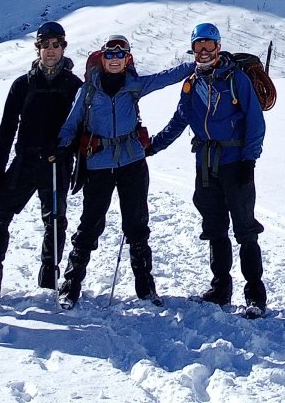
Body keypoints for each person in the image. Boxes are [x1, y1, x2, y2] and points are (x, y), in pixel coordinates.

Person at [53, 34, 192, 307]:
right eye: (110, 55)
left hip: (132, 163)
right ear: (102, 58)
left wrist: (197, 63)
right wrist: (61, 145)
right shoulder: (88, 90)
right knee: (90, 225)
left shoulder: (134, 85)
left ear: (127, 59)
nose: (115, 60)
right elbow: (72, 123)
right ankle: (70, 285)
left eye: (121, 55)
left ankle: (146, 288)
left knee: (137, 225)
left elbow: (167, 76)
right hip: (98, 165)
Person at [148, 21, 268, 315]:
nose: (203, 51)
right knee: (214, 228)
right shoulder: (192, 84)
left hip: (236, 163)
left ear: (218, 46)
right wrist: (152, 146)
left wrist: (250, 160)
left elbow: (255, 121)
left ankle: (255, 296)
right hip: (205, 166)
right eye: (198, 46)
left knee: (245, 229)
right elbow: (180, 120)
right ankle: (220, 290)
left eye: (208, 45)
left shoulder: (235, 78)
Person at [0, 21, 82, 299]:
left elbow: (81, 127)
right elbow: (7, 127)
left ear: (63, 47)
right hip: (26, 160)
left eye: (56, 45)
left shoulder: (74, 85)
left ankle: (48, 279)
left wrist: (71, 158)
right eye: (45, 45)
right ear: (38, 49)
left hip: (57, 163)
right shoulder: (23, 83)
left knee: (55, 220)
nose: (51, 51)